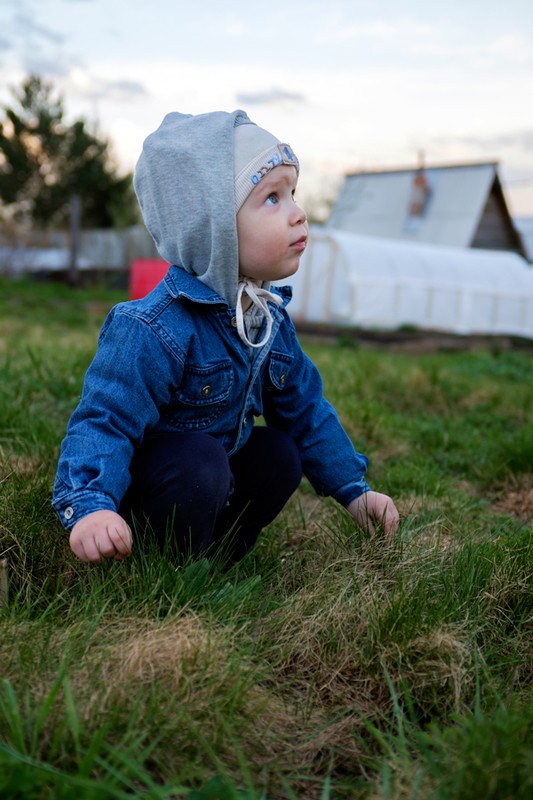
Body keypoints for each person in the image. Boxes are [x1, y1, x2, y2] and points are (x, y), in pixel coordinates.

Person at [52, 110, 399, 565]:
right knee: (201, 461)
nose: (298, 213)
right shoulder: (153, 327)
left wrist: (355, 491)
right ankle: (160, 562)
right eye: (272, 198)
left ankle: (217, 556)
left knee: (279, 453)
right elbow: (105, 422)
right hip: (152, 488)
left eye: (292, 192)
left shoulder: (267, 319)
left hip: (213, 478)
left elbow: (305, 410)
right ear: (212, 225)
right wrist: (91, 509)